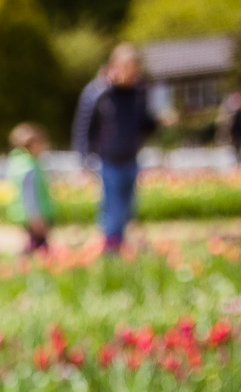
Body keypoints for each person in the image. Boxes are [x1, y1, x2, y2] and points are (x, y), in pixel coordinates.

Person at [72, 43, 166, 254]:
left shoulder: (138, 92)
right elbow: (83, 126)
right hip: (108, 159)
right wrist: (84, 159)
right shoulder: (98, 92)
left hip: (131, 158)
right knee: (113, 208)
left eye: (135, 71)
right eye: (128, 70)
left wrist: (157, 122)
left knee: (126, 209)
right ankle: (111, 251)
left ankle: (116, 247)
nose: (132, 75)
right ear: (115, 67)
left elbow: (142, 124)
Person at [6, 124, 56, 253]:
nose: (45, 147)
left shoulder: (18, 162)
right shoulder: (28, 168)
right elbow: (30, 194)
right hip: (35, 214)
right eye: (43, 143)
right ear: (32, 144)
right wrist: (36, 216)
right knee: (38, 246)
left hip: (23, 213)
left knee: (34, 243)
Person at [217, 90, 241, 166]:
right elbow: (233, 126)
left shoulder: (239, 112)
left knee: (238, 153)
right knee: (235, 153)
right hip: (236, 136)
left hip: (238, 136)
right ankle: (237, 166)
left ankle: (238, 165)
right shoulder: (236, 113)